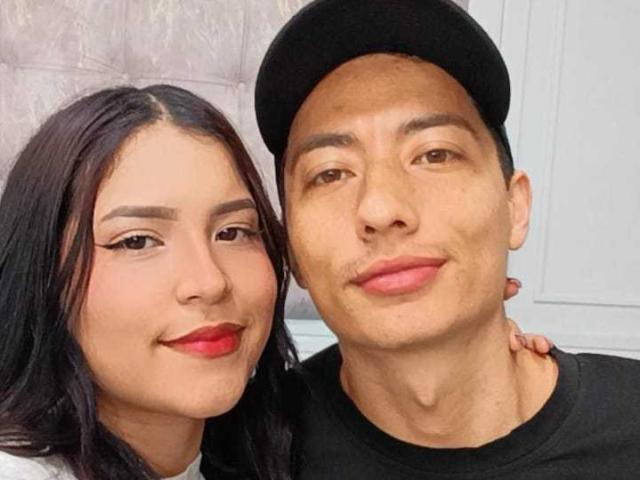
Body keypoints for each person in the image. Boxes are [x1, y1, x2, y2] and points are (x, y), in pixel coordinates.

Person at [254, 0, 640, 478]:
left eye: (434, 154)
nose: (381, 209)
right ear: (292, 250)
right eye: (330, 173)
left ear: (515, 207)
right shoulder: (248, 447)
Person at [0, 84, 298, 480]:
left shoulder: (277, 447)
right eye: (137, 240)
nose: (210, 282)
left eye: (232, 232)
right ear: (44, 274)